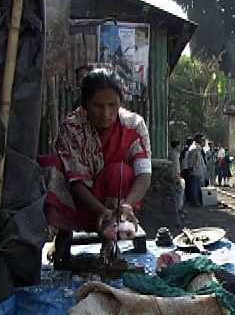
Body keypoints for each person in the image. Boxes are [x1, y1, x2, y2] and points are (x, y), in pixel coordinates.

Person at [38, 68, 151, 266]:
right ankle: (63, 232)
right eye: (98, 105)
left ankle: (110, 238)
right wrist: (102, 212)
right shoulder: (71, 127)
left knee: (120, 170)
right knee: (51, 166)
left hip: (116, 200)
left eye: (112, 105)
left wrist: (126, 206)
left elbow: (144, 173)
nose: (106, 113)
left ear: (120, 104)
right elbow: (76, 183)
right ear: (85, 104)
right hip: (79, 202)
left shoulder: (134, 125)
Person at [184, 134, 206, 206]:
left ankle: (195, 201)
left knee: (196, 187)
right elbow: (191, 161)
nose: (204, 142)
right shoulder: (194, 149)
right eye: (203, 140)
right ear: (199, 140)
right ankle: (194, 202)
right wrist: (190, 170)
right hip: (195, 172)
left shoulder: (197, 148)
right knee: (194, 187)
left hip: (198, 171)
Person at [168, 140, 184, 224]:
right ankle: (179, 208)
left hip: (174, 174)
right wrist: (178, 175)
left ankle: (178, 208)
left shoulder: (171, 153)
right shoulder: (175, 154)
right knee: (179, 191)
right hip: (176, 175)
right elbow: (176, 167)